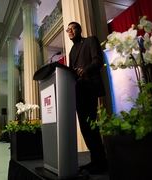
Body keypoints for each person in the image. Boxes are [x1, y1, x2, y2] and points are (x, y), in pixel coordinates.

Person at [67, 22, 108, 174]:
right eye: (68, 30)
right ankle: (95, 161)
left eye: (73, 28)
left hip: (89, 88)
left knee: (91, 127)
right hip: (78, 91)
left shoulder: (90, 40)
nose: (70, 31)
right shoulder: (71, 50)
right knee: (85, 128)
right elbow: (71, 70)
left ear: (79, 29)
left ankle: (102, 163)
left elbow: (98, 61)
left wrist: (85, 70)